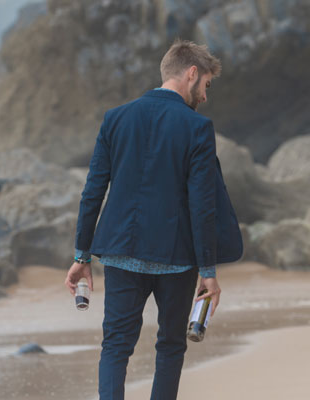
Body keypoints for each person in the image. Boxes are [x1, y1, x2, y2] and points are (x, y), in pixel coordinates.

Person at [64, 39, 243, 400]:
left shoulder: (116, 118)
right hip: (176, 257)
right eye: (206, 85)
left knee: (115, 345)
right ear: (191, 73)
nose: (205, 96)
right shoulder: (197, 127)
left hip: (120, 251)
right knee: (171, 346)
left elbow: (92, 192)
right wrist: (208, 271)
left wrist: (81, 255)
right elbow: (202, 205)